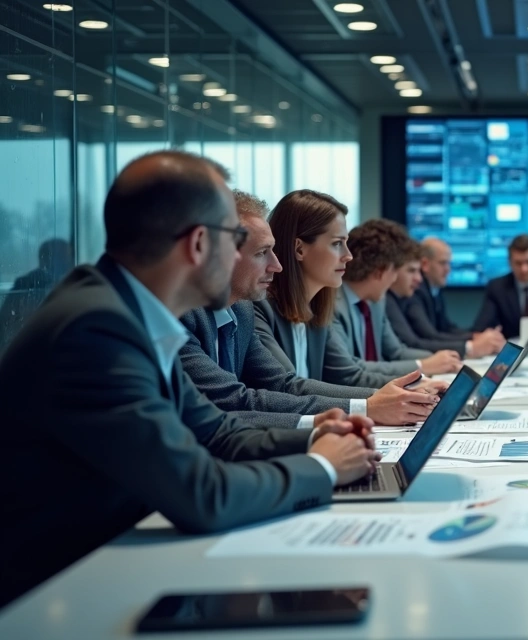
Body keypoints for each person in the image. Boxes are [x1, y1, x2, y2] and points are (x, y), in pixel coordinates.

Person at [0, 152, 379, 606]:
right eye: (236, 239)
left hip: (118, 567)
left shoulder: (124, 312)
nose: (272, 266)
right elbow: (204, 494)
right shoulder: (95, 331)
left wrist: (320, 436)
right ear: (199, 244)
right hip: (62, 595)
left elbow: (218, 432)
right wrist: (323, 467)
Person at [179, 190, 440, 429]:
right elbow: (245, 399)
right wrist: (370, 406)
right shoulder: (237, 310)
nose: (348, 255)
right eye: (262, 252)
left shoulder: (244, 312)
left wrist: (392, 399)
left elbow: (282, 384)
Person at [253, 190, 441, 390]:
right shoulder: (259, 309)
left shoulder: (315, 308)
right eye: (337, 244)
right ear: (299, 249)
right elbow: (288, 388)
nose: (348, 256)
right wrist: (383, 400)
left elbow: (346, 374)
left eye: (345, 243)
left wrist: (414, 388)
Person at [333, 219, 461, 378]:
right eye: (395, 270)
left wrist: (440, 360)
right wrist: (423, 366)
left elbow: (397, 352)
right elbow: (351, 372)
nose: (394, 279)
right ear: (380, 271)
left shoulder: (376, 302)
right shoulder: (332, 306)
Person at [385, 237, 505, 359]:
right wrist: (470, 347)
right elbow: (424, 338)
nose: (448, 269)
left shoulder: (434, 289)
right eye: (443, 263)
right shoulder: (412, 293)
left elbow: (446, 328)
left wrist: (475, 336)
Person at [0, 238, 73, 351]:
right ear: (46, 259)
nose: (69, 263)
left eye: (68, 259)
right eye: (63, 259)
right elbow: (6, 324)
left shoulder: (67, 286)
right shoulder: (27, 285)